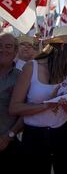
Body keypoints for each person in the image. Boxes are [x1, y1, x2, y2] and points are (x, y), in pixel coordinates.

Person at [9, 26, 67, 174]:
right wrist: (47, 104)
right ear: (63, 46)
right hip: (35, 137)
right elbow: (14, 107)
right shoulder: (31, 67)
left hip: (66, 134)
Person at [0, 33, 24, 173]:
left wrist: (8, 136)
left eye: (8, 47)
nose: (3, 50)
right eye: (0, 46)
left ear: (15, 51)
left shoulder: (21, 77)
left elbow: (25, 113)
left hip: (7, 145)